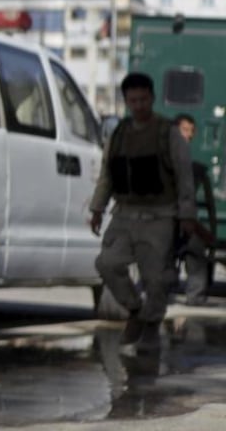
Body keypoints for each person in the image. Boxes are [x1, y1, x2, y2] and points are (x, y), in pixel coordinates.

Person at [90, 73, 196, 354]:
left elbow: (185, 176)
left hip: (159, 215)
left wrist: (186, 215)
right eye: (133, 100)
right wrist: (97, 208)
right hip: (125, 213)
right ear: (126, 101)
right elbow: (107, 175)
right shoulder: (120, 133)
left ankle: (151, 324)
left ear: (152, 98)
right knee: (107, 263)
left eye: (143, 99)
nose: (138, 105)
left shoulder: (167, 133)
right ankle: (135, 310)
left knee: (156, 278)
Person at [173, 113, 216, 306]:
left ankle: (195, 298)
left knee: (196, 248)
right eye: (185, 130)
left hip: (182, 221)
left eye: (191, 131)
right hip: (164, 221)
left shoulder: (188, 164)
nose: (189, 135)